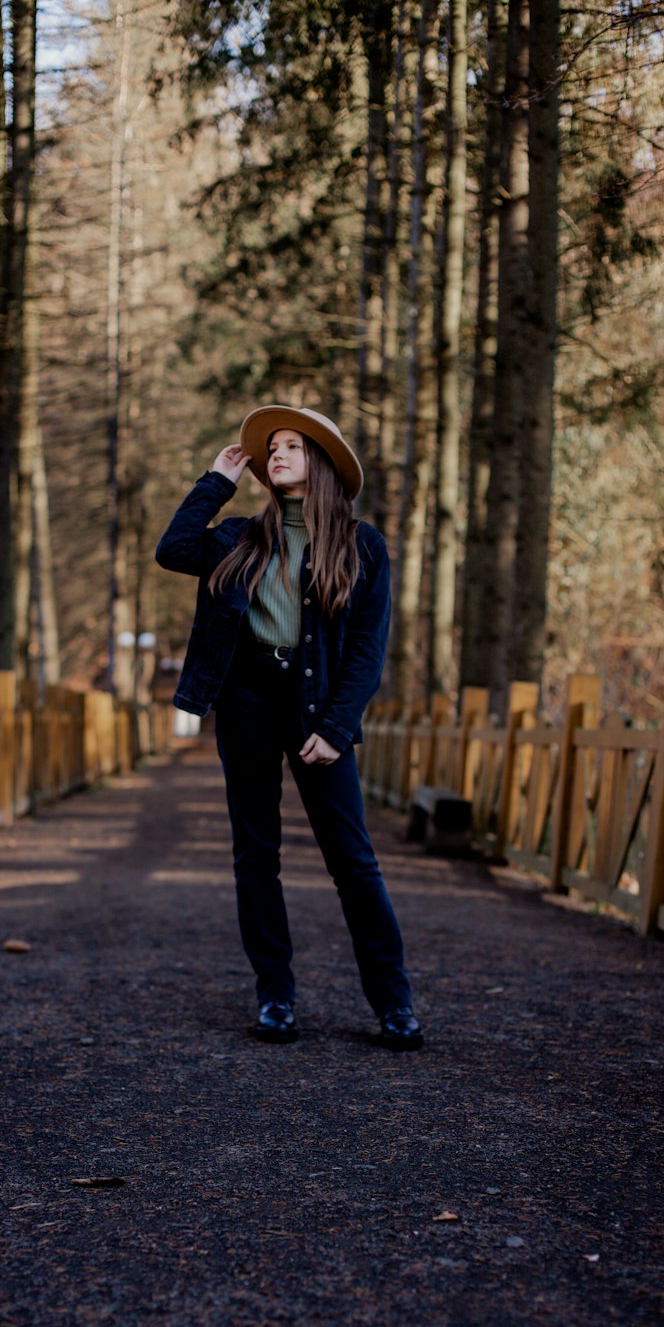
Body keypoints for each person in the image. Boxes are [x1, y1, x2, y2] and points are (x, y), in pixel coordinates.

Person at [155, 406, 422, 1051]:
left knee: (353, 862)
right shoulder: (241, 537)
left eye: (292, 446)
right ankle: (275, 998)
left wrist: (336, 726)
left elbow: (367, 649)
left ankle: (394, 1004)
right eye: (271, 448)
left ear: (321, 462)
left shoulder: (362, 546)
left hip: (317, 712)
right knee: (256, 857)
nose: (276, 454)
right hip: (245, 703)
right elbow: (174, 550)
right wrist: (216, 479)